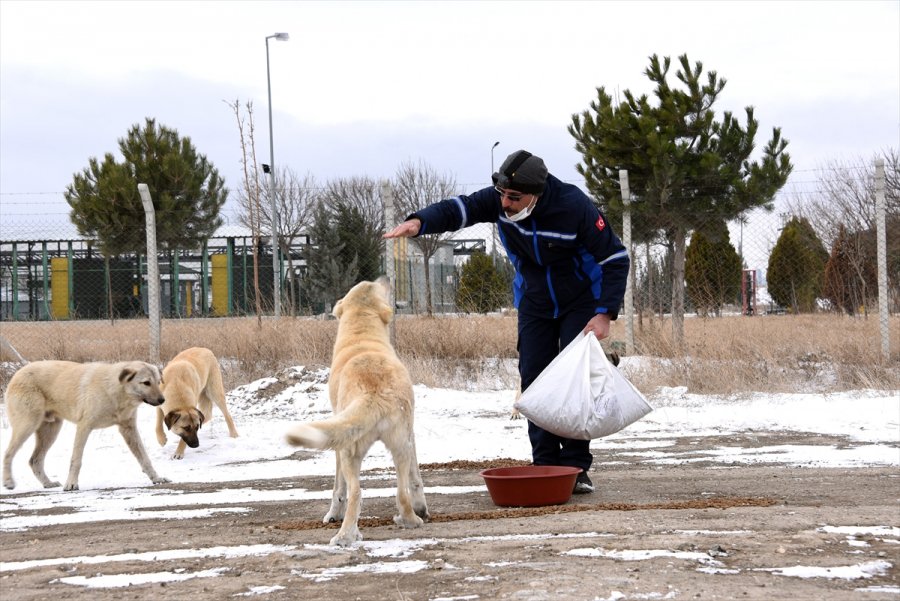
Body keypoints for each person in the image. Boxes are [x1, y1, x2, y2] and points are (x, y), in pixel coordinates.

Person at [384, 149, 630, 494]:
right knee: (534, 378)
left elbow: (616, 258)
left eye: (514, 197)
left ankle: (575, 467)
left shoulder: (574, 206)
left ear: (536, 194)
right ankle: (545, 464)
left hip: (581, 299)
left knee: (573, 380)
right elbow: (458, 209)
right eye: (502, 194)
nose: (505, 204)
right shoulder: (499, 202)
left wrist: (604, 313)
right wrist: (420, 222)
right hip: (534, 300)